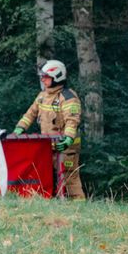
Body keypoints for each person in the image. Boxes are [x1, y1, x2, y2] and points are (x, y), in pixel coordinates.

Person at [13, 60, 85, 199]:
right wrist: (19, 129)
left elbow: (72, 120)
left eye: (46, 77)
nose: (43, 80)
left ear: (57, 77)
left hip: (66, 147)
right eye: (42, 77)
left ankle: (78, 205)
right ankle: (57, 203)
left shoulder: (68, 97)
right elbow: (30, 114)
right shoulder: (42, 96)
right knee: (48, 176)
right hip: (48, 146)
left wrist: (68, 139)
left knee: (68, 177)